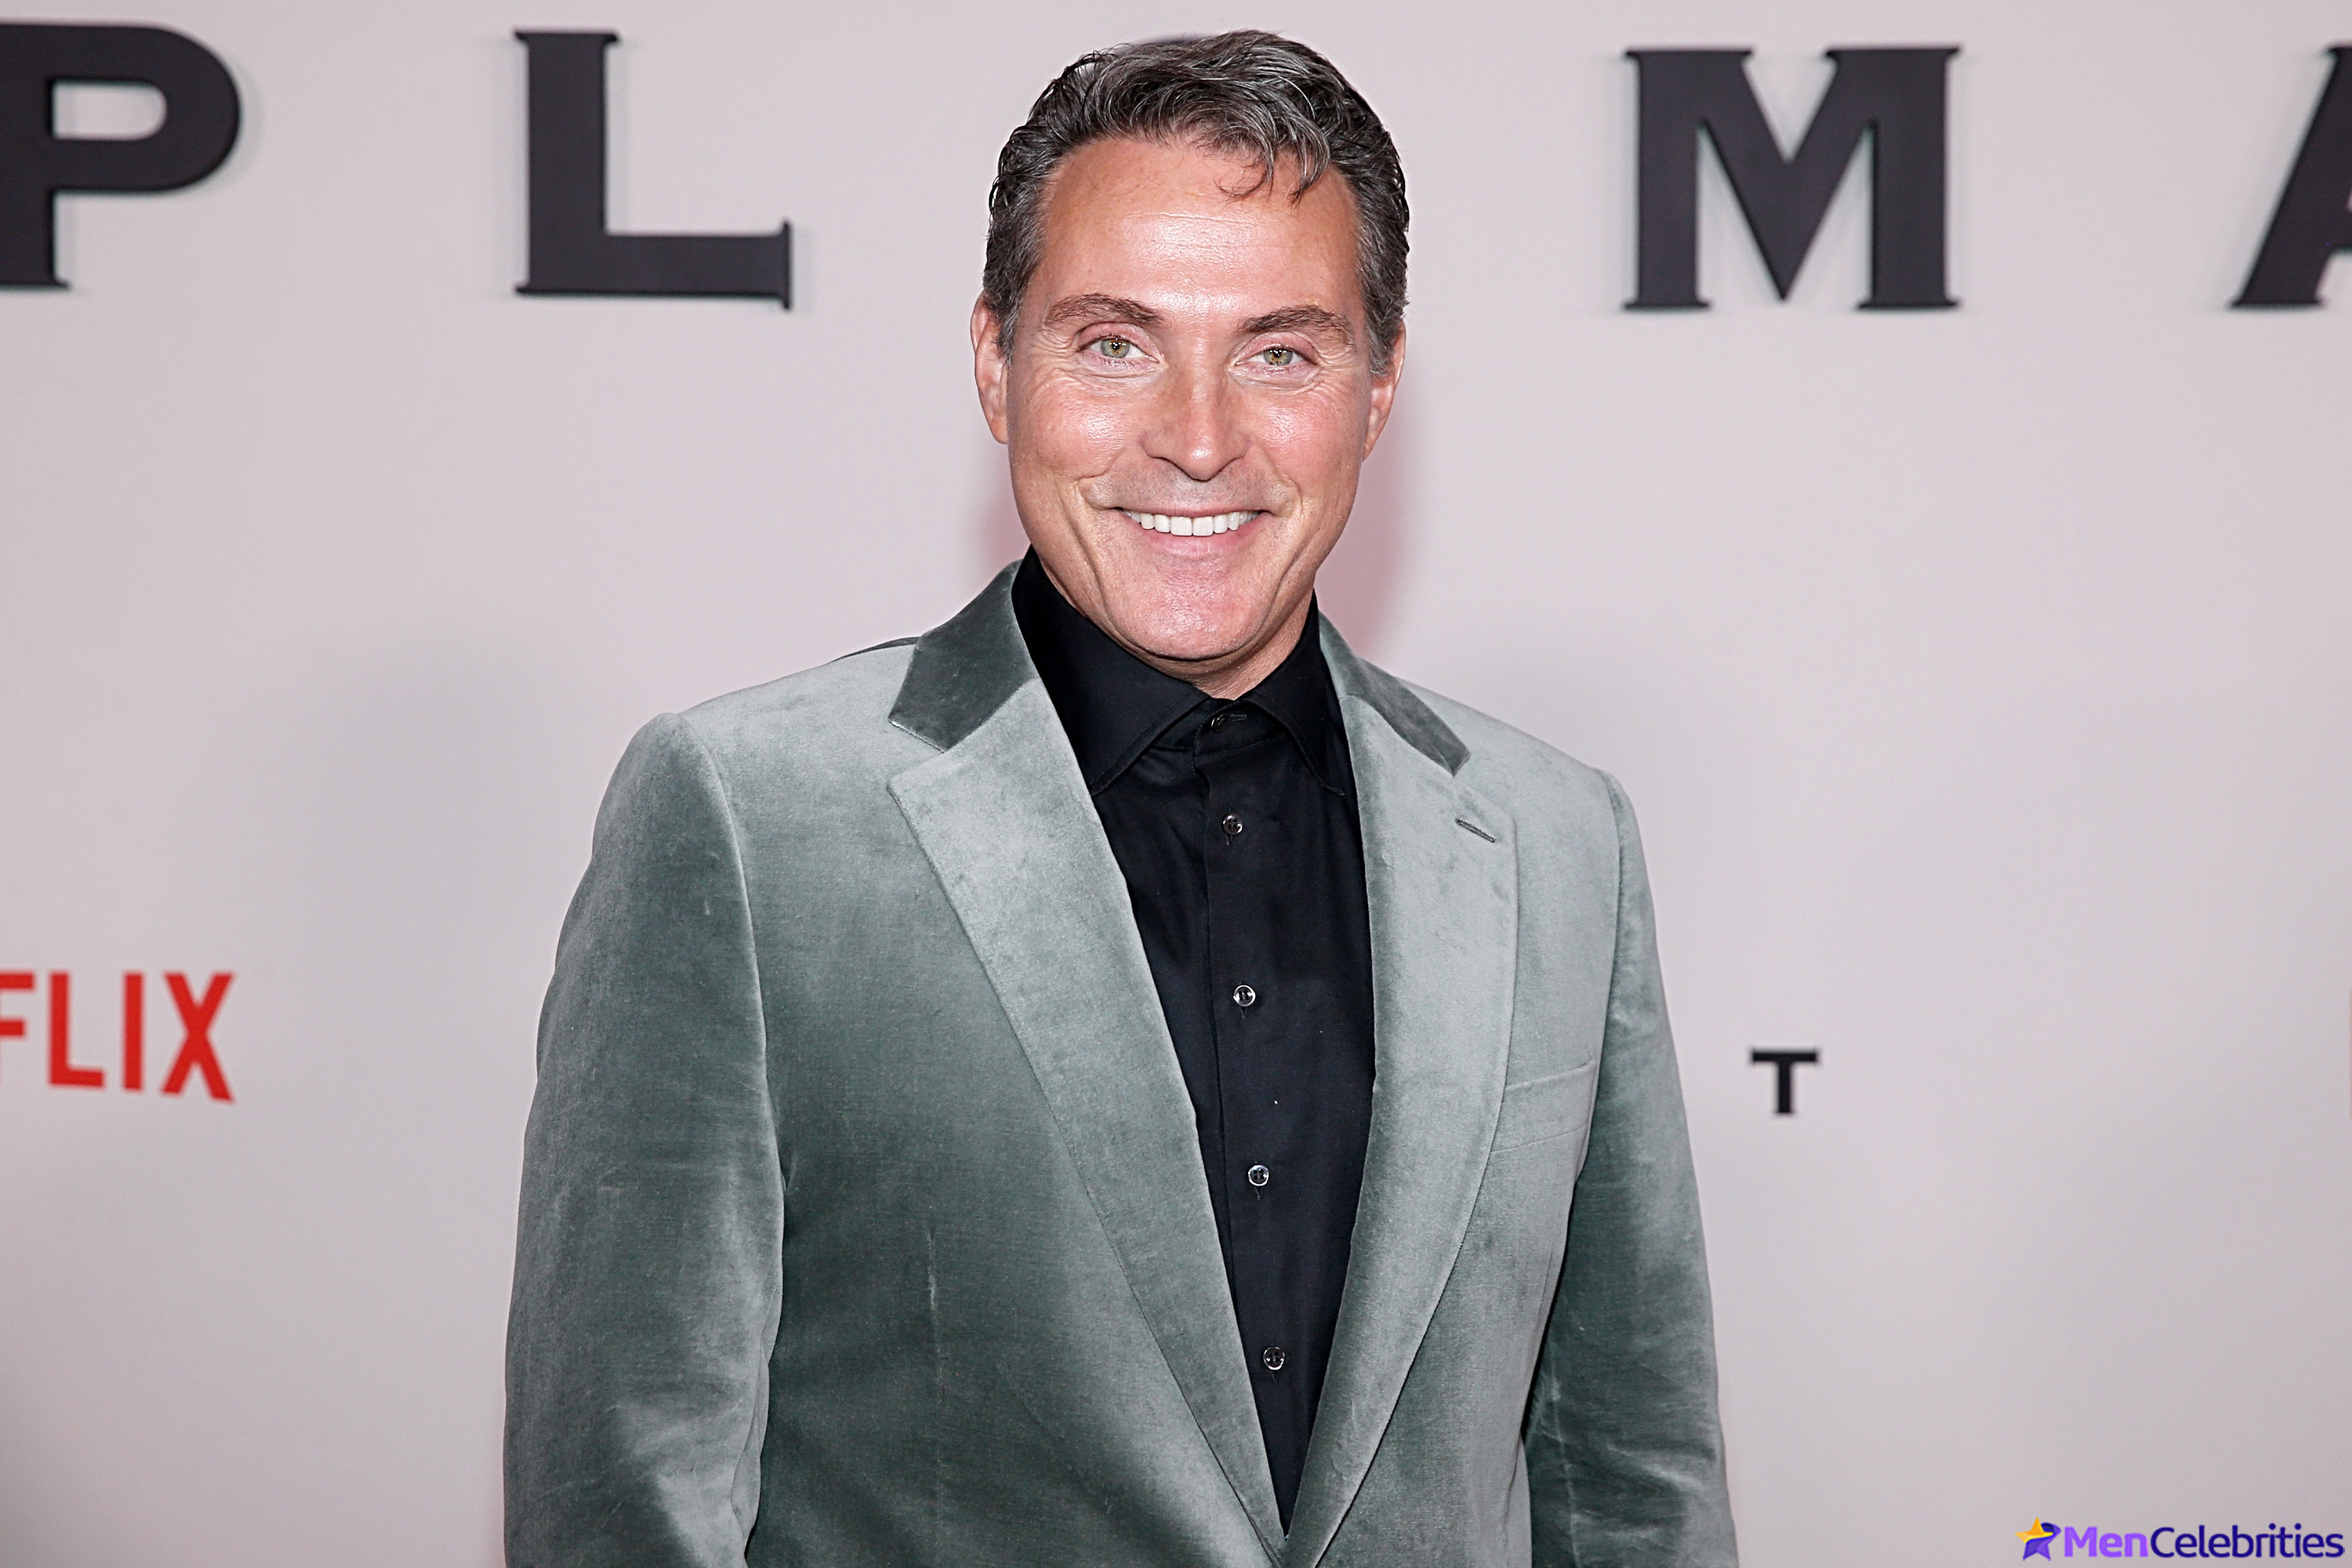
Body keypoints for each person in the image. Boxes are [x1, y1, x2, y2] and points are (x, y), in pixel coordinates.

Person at [505, 30, 1737, 1568]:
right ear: (995, 365)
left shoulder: (1557, 842)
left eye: (1280, 351)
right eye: (1113, 343)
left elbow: (1635, 1485)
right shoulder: (748, 821)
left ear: (1376, 388)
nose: (1199, 438)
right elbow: (626, 1500)